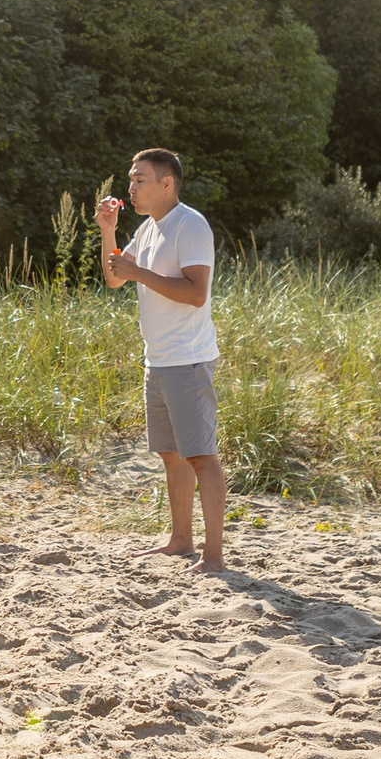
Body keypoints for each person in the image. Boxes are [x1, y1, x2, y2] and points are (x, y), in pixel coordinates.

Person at [97, 147, 227, 573]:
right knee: (172, 455)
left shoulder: (190, 225)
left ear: (167, 183)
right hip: (158, 359)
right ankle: (180, 542)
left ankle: (213, 556)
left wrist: (140, 274)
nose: (131, 187)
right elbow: (115, 277)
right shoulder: (149, 230)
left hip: (188, 360)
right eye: (131, 180)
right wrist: (108, 231)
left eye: (140, 180)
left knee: (201, 456)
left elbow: (195, 293)